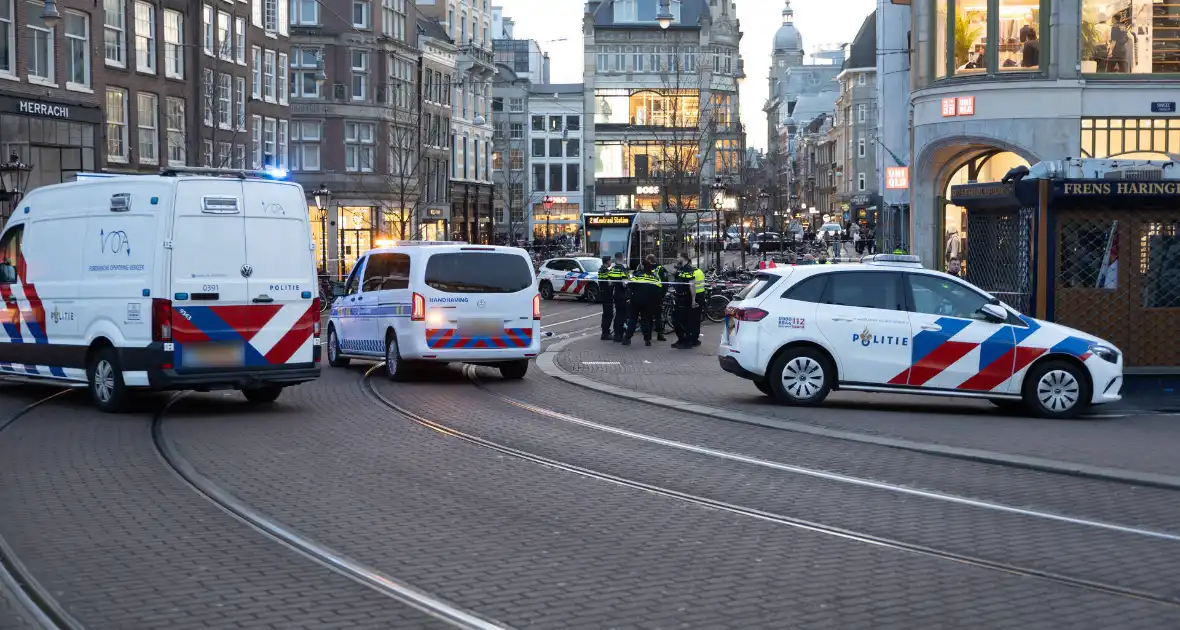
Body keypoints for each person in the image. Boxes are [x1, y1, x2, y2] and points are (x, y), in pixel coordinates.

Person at [623, 256, 662, 346]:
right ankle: (647, 340)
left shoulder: (637, 276)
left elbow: (630, 286)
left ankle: (627, 338)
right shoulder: (654, 278)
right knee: (646, 320)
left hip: (636, 301)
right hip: (648, 302)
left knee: (632, 319)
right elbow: (658, 289)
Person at [600, 253, 630, 342]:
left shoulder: (612, 270)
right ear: (622, 258)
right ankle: (619, 335)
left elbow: (610, 283)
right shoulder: (622, 269)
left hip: (615, 295)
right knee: (622, 315)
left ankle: (616, 334)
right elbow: (625, 284)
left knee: (617, 315)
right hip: (622, 295)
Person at [671, 252, 698, 349]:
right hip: (678, 296)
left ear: (683, 257)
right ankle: (681, 339)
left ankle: (687, 342)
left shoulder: (688, 269)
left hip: (685, 297)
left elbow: (692, 285)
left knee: (684, 321)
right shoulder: (680, 268)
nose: (676, 258)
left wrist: (693, 299)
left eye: (678, 257)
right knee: (676, 320)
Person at [647, 254, 669, 342]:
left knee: (648, 317)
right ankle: (660, 334)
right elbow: (665, 283)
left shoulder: (645, 268)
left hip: (648, 295)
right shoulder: (661, 269)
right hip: (657, 296)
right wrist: (663, 294)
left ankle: (648, 337)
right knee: (658, 316)